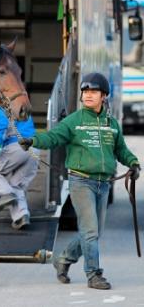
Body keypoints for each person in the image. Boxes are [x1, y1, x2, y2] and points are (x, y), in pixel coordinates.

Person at [21, 72, 141, 290]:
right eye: (85, 91)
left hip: (103, 184)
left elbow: (121, 150)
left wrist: (133, 164)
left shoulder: (111, 123)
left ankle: (63, 259)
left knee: (93, 232)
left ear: (104, 95)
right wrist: (33, 140)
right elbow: (53, 137)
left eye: (93, 91)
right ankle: (93, 274)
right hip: (81, 182)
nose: (87, 95)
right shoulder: (74, 121)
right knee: (91, 232)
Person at [0, 103, 39, 230]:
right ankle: (21, 216)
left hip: (17, 147)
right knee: (16, 184)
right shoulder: (19, 104)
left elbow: (2, 125)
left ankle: (4, 194)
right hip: (34, 149)